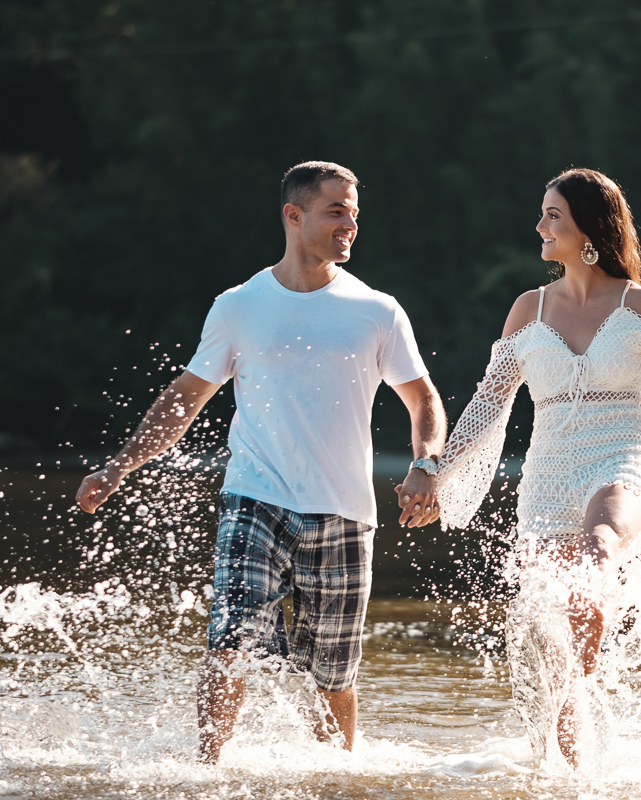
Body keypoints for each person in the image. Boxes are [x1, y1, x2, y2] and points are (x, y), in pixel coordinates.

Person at [75, 161, 446, 763]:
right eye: (336, 211)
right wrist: (120, 466)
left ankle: (336, 775)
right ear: (293, 216)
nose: (350, 223)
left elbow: (424, 398)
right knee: (230, 640)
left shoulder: (377, 310)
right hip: (255, 497)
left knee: (333, 674)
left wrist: (426, 465)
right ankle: (206, 772)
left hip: (346, 510)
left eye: (355, 212)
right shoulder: (238, 306)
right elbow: (185, 399)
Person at [435, 168, 641, 767]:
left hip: (621, 459)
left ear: (589, 226)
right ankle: (569, 771)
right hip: (546, 479)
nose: (540, 226)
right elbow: (488, 405)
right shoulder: (527, 309)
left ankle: (590, 671)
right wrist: (438, 471)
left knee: (601, 546)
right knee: (550, 641)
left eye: (553, 215)